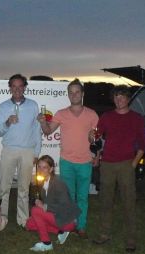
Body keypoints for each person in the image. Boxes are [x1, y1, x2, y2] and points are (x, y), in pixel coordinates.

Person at [38, 78, 99, 239]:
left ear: (82, 94)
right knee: (68, 197)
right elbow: (47, 132)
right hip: (66, 162)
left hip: (85, 162)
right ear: (68, 95)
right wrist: (43, 122)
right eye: (71, 92)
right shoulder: (61, 114)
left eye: (77, 91)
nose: (74, 95)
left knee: (82, 197)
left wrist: (96, 150)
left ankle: (81, 226)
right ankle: (69, 225)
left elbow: (96, 140)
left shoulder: (92, 114)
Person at [92, 85, 145, 252]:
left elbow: (142, 145)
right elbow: (97, 137)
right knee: (106, 200)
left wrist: (133, 164)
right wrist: (93, 140)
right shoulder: (107, 116)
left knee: (128, 202)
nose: (118, 100)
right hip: (107, 164)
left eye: (122, 97)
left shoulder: (136, 118)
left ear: (128, 99)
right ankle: (104, 234)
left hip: (126, 164)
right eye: (116, 97)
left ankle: (131, 239)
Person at [0, 74, 42, 227]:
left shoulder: (33, 105)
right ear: (10, 88)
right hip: (9, 150)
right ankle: (1, 218)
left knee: (23, 188)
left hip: (28, 151)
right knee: (4, 187)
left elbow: (37, 130)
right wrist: (7, 122)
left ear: (24, 87)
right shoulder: (3, 106)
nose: (17, 89)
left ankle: (23, 220)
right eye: (13, 86)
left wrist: (36, 153)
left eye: (20, 86)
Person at [26, 155, 80, 252]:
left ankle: (46, 243)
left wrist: (45, 207)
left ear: (51, 169)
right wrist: (33, 187)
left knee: (35, 211)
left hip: (67, 219)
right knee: (30, 224)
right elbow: (34, 200)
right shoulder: (42, 180)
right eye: (39, 167)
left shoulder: (58, 183)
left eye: (44, 167)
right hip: (56, 216)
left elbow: (65, 206)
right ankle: (60, 231)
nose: (41, 170)